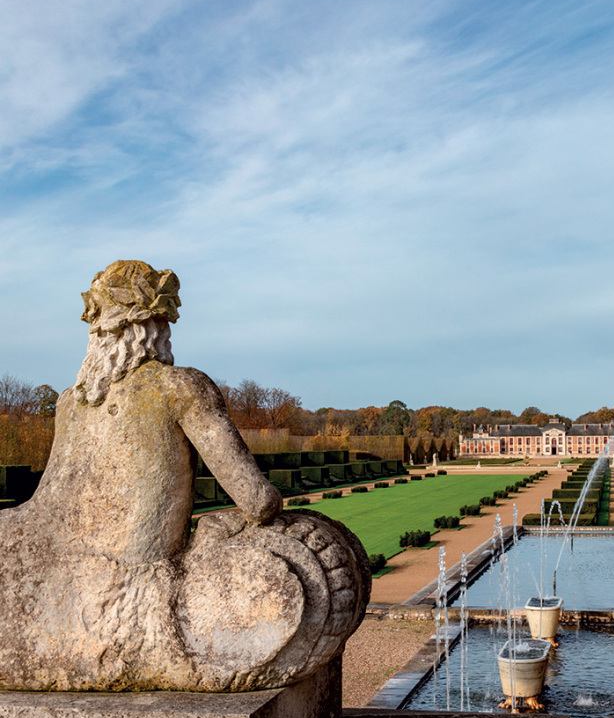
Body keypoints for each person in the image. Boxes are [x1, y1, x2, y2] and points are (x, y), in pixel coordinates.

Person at [0, 261, 369, 692]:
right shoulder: (180, 387)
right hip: (129, 592)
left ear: (99, 332)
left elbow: (47, 506)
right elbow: (256, 500)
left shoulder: (70, 403)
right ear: (156, 329)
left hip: (55, 575)